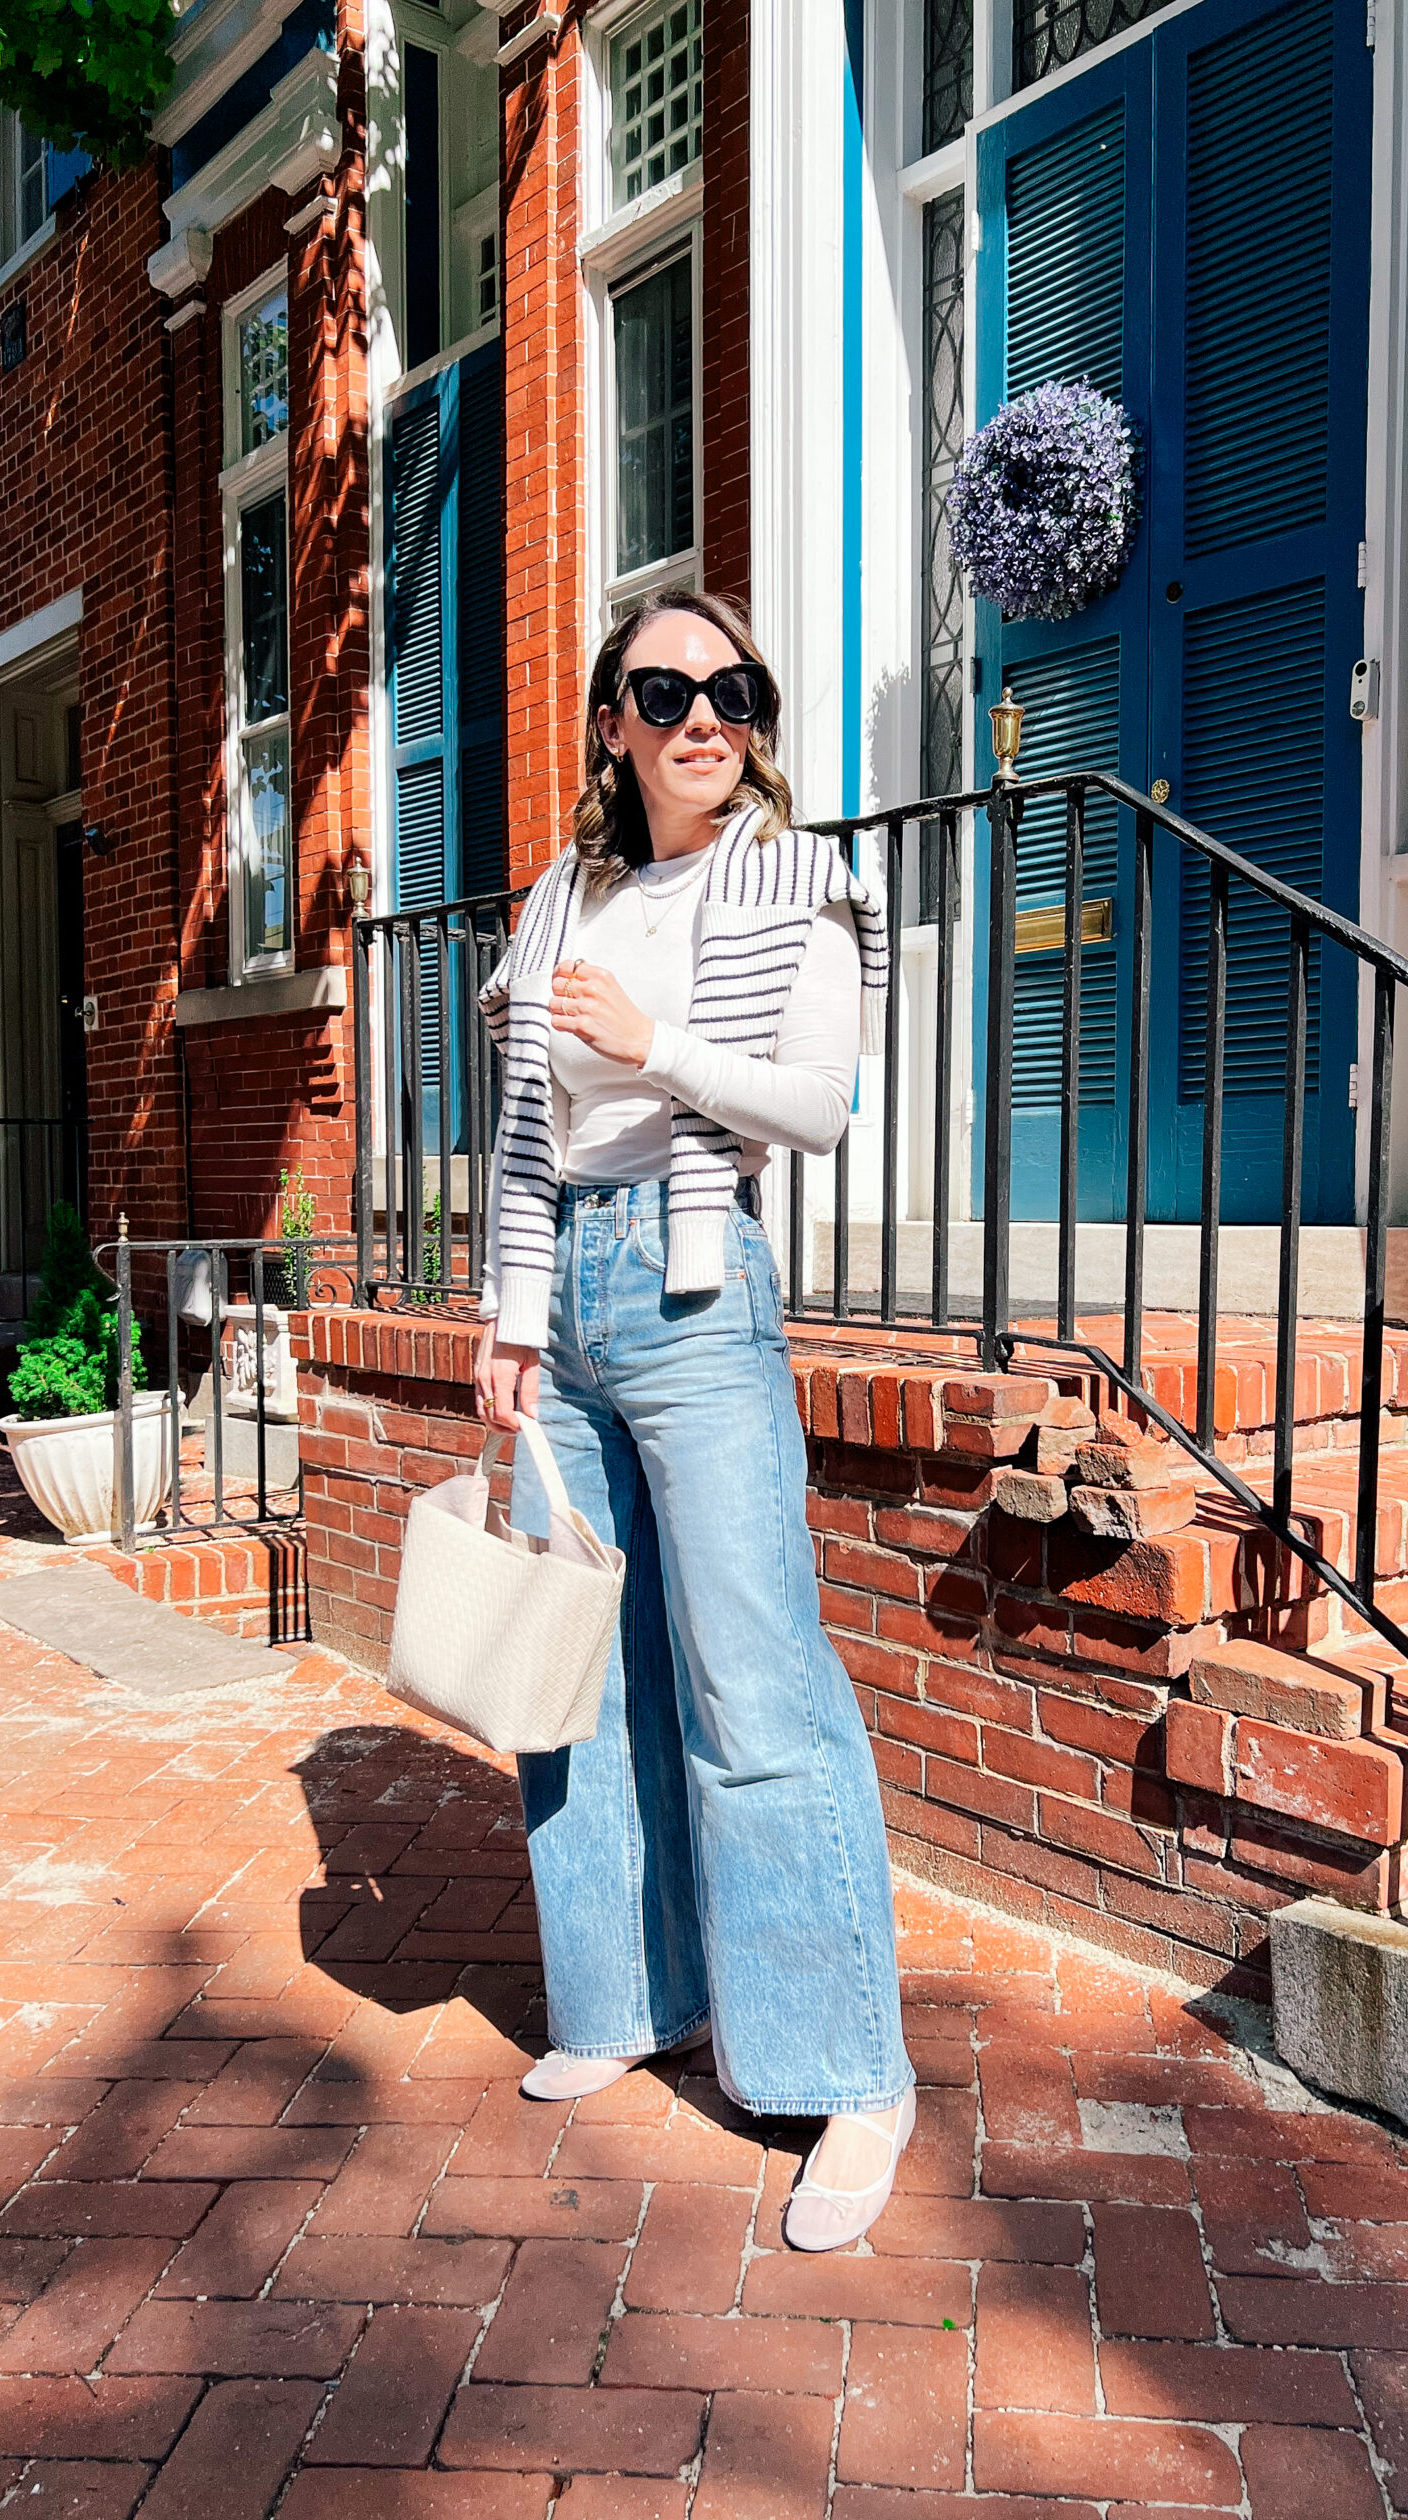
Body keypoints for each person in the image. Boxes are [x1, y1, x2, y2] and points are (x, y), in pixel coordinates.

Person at [472, 588, 915, 2251]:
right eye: (664, 690)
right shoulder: (566, 890)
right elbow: (526, 1128)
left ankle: (845, 2074)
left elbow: (817, 1105)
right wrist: (510, 1322)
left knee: (754, 1682)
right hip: (570, 1300)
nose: (702, 716)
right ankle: (630, 1997)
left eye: (734, 686)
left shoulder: (799, 878)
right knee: (577, 1677)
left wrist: (657, 1044)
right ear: (611, 722)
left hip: (697, 1286)